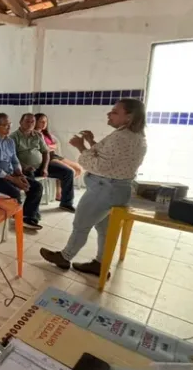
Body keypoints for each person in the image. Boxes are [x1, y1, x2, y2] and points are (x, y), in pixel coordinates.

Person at [40, 99, 148, 277]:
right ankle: (100, 263)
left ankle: (65, 257)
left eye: (114, 112)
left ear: (129, 117)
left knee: (81, 224)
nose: (109, 114)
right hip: (120, 189)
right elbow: (109, 157)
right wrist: (91, 141)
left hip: (104, 188)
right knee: (104, 228)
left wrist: (81, 146)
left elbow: (98, 165)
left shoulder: (121, 137)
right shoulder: (136, 136)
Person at [0, 113, 43, 230]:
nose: (8, 127)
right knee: (15, 192)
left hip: (9, 174)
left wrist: (20, 174)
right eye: (5, 125)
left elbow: (14, 160)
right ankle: (14, 215)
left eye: (9, 124)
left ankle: (27, 217)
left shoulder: (9, 141)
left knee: (36, 186)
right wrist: (14, 180)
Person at [11, 113, 76, 212]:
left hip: (41, 166)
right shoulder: (13, 137)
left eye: (32, 122)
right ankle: (31, 213)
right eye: (27, 121)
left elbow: (45, 152)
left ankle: (66, 203)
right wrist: (24, 167)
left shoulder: (37, 135)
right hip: (25, 169)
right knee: (34, 186)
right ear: (20, 122)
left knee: (68, 172)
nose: (30, 124)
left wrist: (45, 168)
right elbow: (12, 157)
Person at [35, 113, 83, 200]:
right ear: (35, 122)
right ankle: (60, 193)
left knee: (79, 169)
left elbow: (53, 145)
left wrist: (50, 147)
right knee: (70, 171)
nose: (44, 123)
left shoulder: (46, 133)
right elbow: (43, 149)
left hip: (54, 155)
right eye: (41, 121)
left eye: (45, 121)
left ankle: (61, 186)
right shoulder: (35, 134)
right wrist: (50, 147)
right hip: (47, 158)